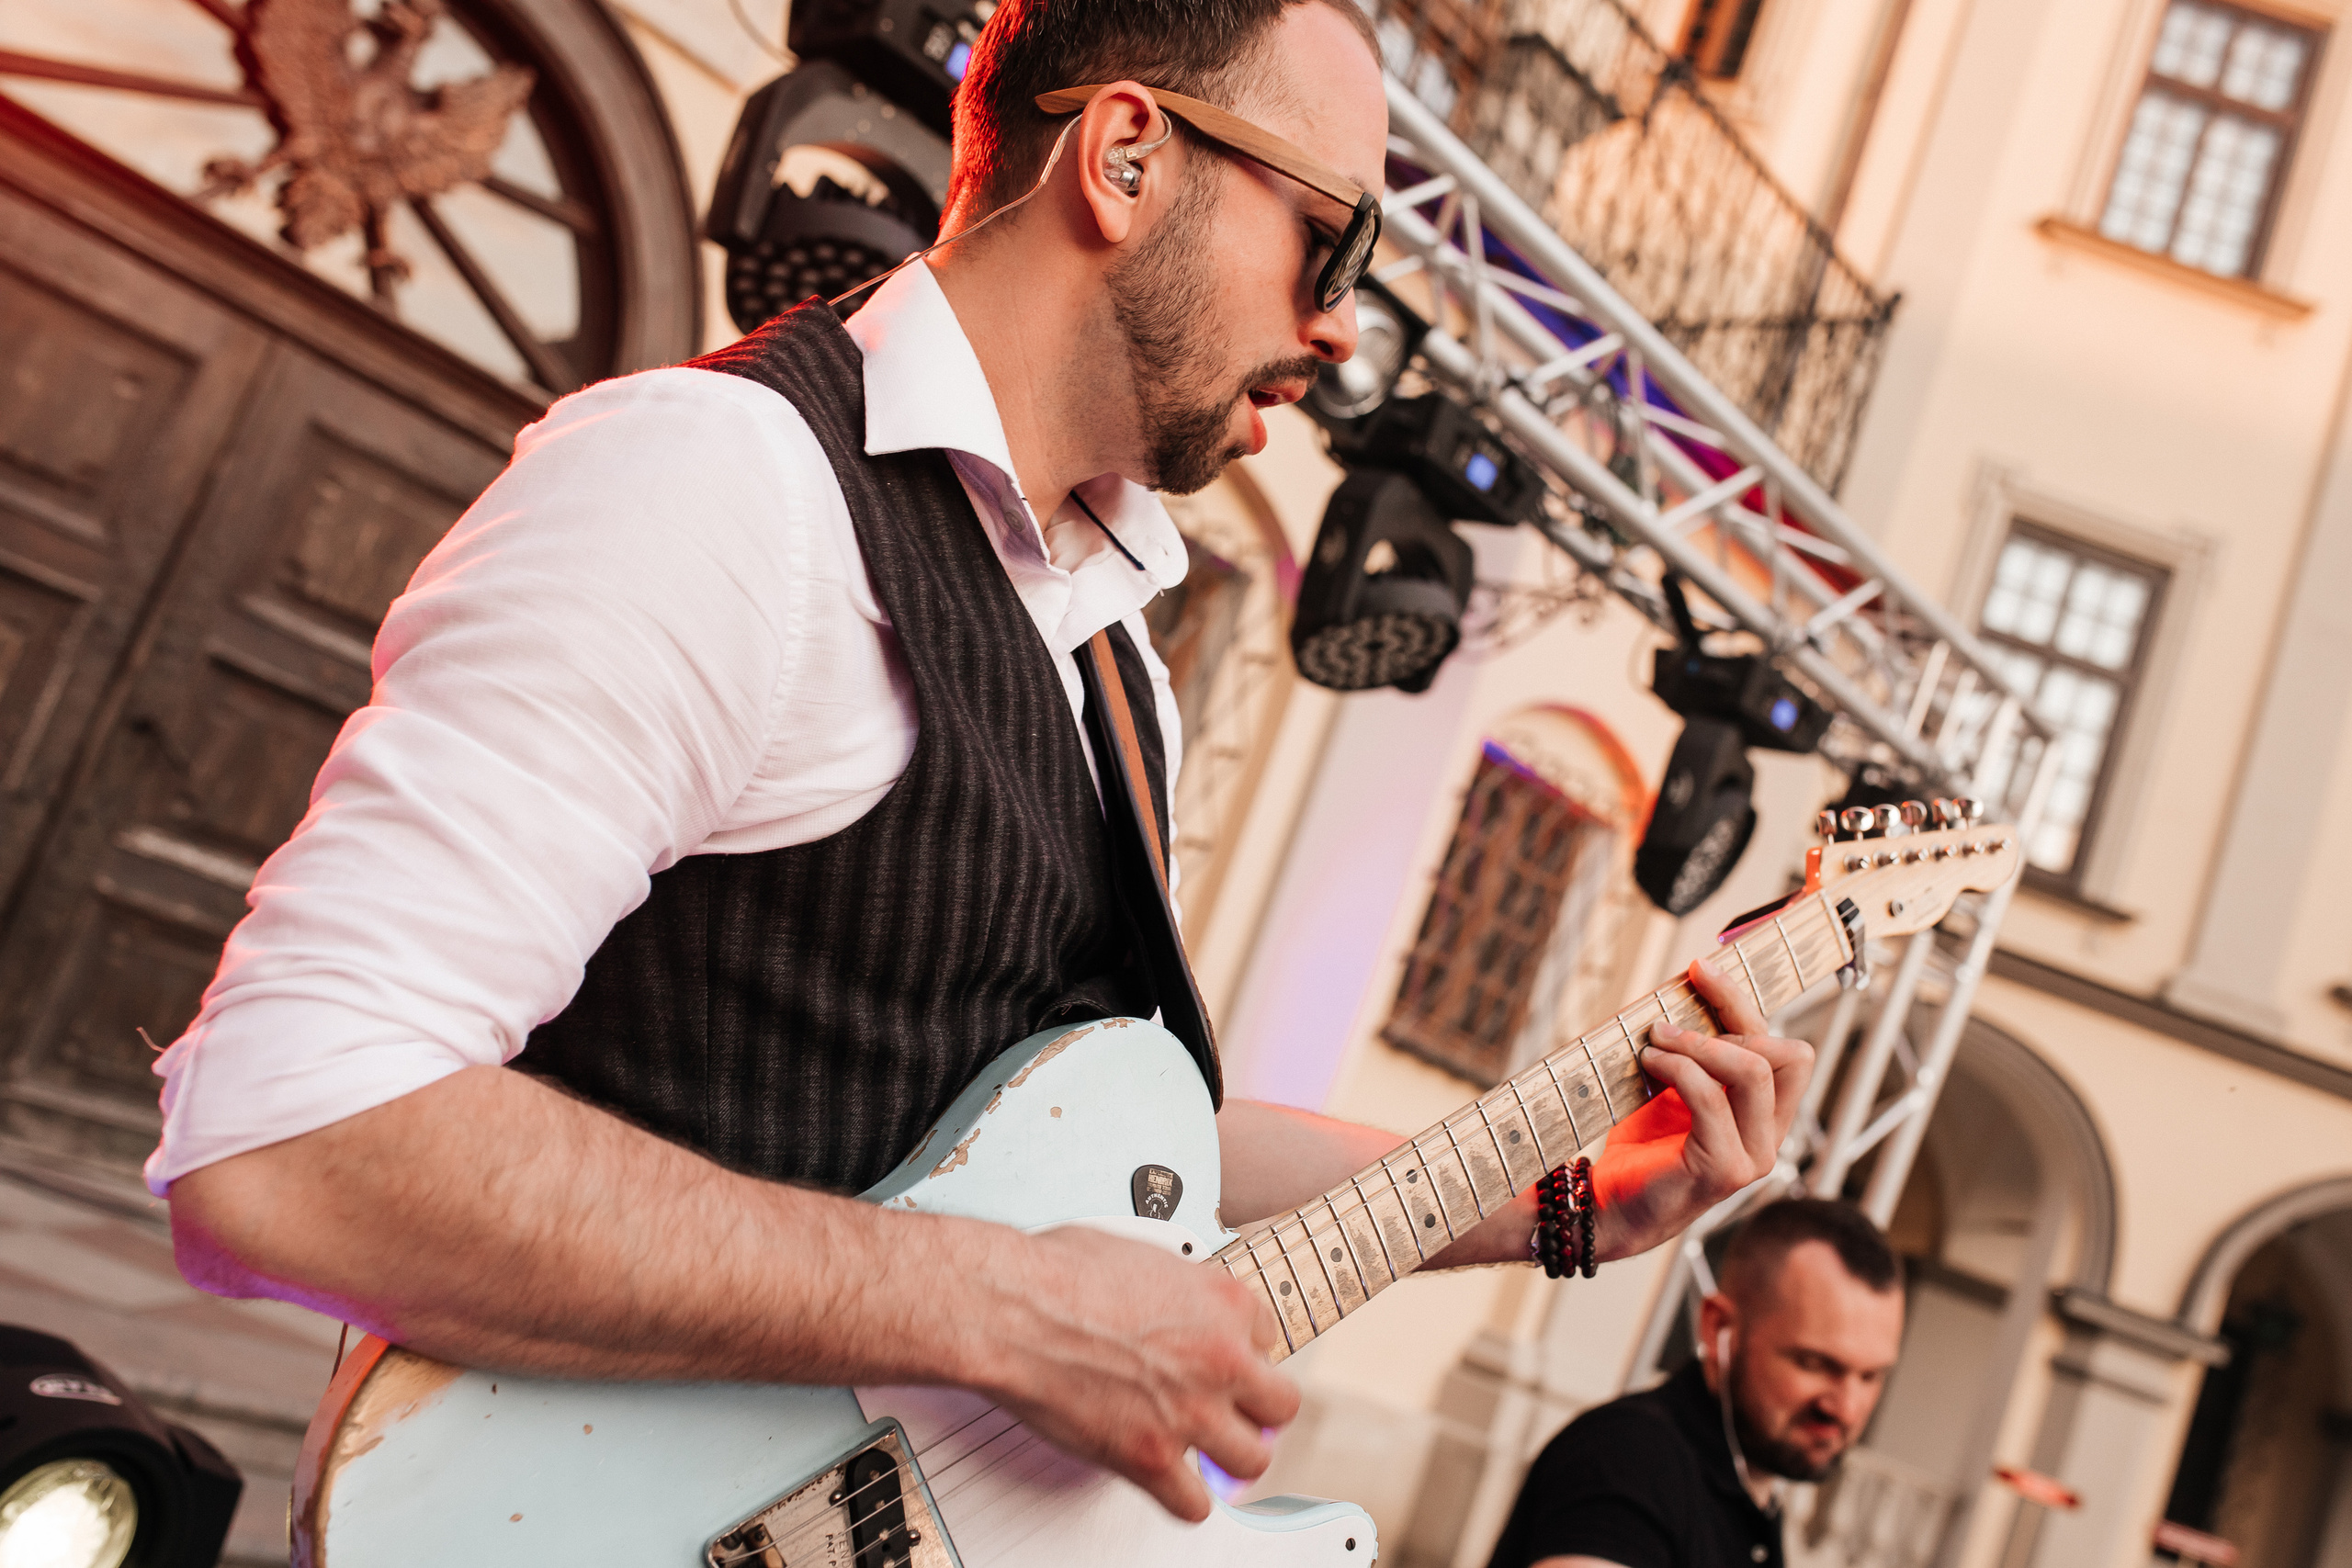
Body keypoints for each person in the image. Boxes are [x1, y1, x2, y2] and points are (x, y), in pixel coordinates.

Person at [153, 0, 1816, 1526]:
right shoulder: (729, 485)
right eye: (1333, 239)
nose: (1340, 329)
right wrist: (1002, 1313)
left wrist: (1576, 1196)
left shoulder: (1107, 652)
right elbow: (293, 1131)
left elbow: (1115, 1153)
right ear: (1127, 155)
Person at [1487, 1199, 1906, 1568]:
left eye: (1870, 1376)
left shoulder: (1752, 1490)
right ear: (1718, 1327)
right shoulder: (1628, 1459)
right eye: (1814, 1364)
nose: (1846, 1408)